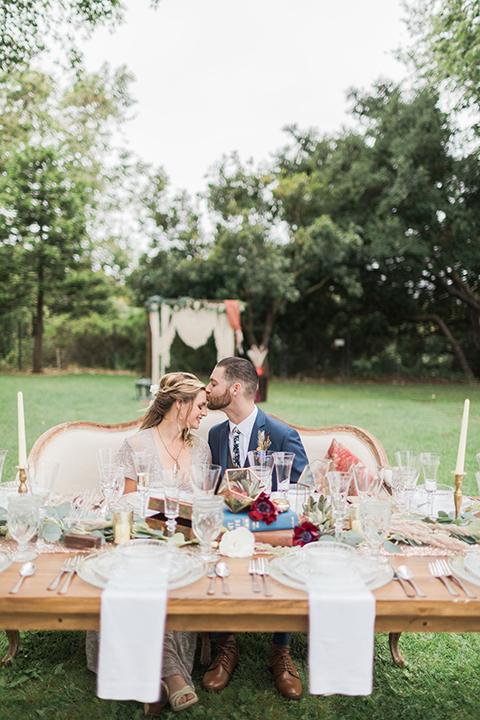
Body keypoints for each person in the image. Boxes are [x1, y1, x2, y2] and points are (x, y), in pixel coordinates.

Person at [87, 372, 210, 717]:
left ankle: (149, 679)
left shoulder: (200, 448)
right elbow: (124, 505)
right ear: (180, 404)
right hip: (142, 540)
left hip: (186, 544)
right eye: (200, 405)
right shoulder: (137, 445)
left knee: (170, 578)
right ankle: (169, 676)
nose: (205, 413)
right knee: (144, 580)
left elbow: (206, 503)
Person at [204, 356, 308, 700]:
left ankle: (281, 650)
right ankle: (225, 644)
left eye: (213, 383)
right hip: (228, 526)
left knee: (290, 555)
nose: (208, 389)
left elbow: (303, 492)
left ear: (235, 389)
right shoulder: (216, 434)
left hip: (271, 529)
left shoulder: (280, 434)